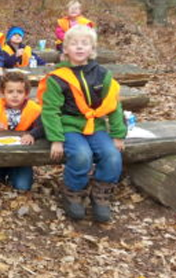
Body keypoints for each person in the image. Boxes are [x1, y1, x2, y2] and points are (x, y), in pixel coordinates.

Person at [38, 25, 125, 222]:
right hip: (68, 126)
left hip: (95, 125)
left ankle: (101, 193)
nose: (79, 47)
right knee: (81, 154)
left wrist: (118, 134)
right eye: (74, 44)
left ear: (92, 49)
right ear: (65, 49)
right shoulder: (57, 78)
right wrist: (56, 139)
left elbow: (113, 105)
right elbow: (50, 111)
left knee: (112, 154)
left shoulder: (102, 74)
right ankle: (73, 191)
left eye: (84, 44)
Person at [0, 71, 44, 191]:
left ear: (26, 94)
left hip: (22, 158)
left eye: (20, 92)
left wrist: (32, 134)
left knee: (22, 187)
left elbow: (43, 127)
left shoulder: (35, 110)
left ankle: (14, 173)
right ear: (2, 93)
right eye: (10, 92)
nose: (15, 95)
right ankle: (2, 171)